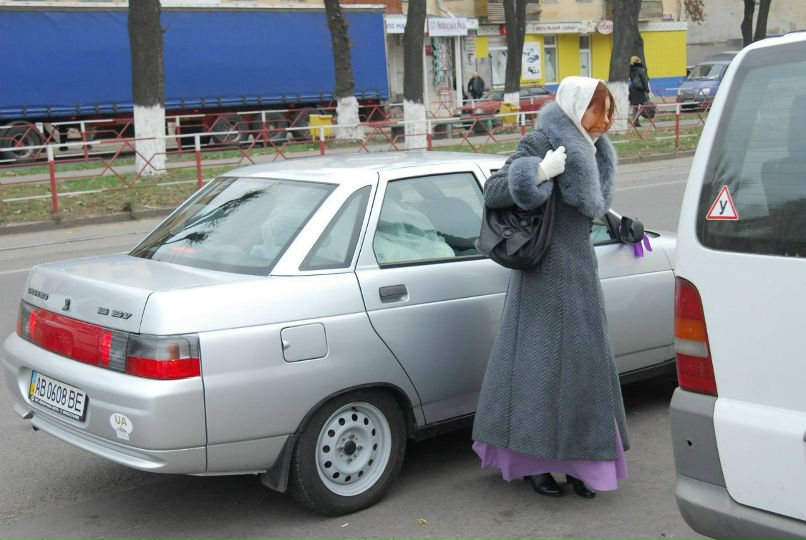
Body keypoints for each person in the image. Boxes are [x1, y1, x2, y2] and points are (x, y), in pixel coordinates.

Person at [471, 76, 629, 500]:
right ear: (577, 107)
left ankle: (582, 465)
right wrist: (538, 173)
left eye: (609, 110)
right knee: (536, 374)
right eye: (599, 109)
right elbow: (495, 190)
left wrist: (620, 223)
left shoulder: (599, 151)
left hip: (579, 274)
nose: (606, 119)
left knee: (584, 372)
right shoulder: (543, 140)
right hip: (541, 275)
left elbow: (588, 210)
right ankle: (533, 465)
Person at [629, 56, 651, 127]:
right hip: (640, 90)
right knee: (643, 105)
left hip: (632, 90)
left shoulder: (631, 69)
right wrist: (647, 90)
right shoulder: (640, 69)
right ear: (638, 61)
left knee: (635, 106)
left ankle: (635, 122)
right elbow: (644, 80)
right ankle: (636, 120)